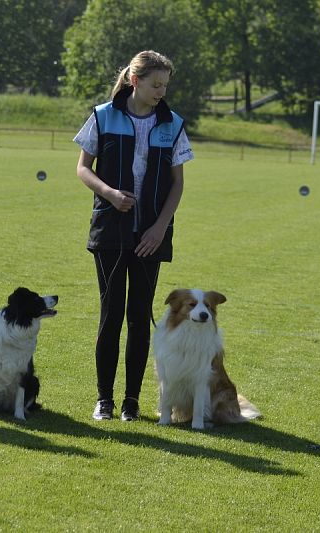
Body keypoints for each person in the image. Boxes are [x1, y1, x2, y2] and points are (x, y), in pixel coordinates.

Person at [74, 50, 193, 421]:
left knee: (140, 317)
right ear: (134, 81)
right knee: (111, 316)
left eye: (165, 86)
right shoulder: (102, 116)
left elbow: (177, 185)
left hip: (151, 237)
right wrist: (109, 193)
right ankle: (104, 400)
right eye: (155, 84)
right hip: (110, 231)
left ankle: (131, 402)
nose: (161, 91)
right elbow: (82, 168)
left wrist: (159, 228)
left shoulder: (172, 123)